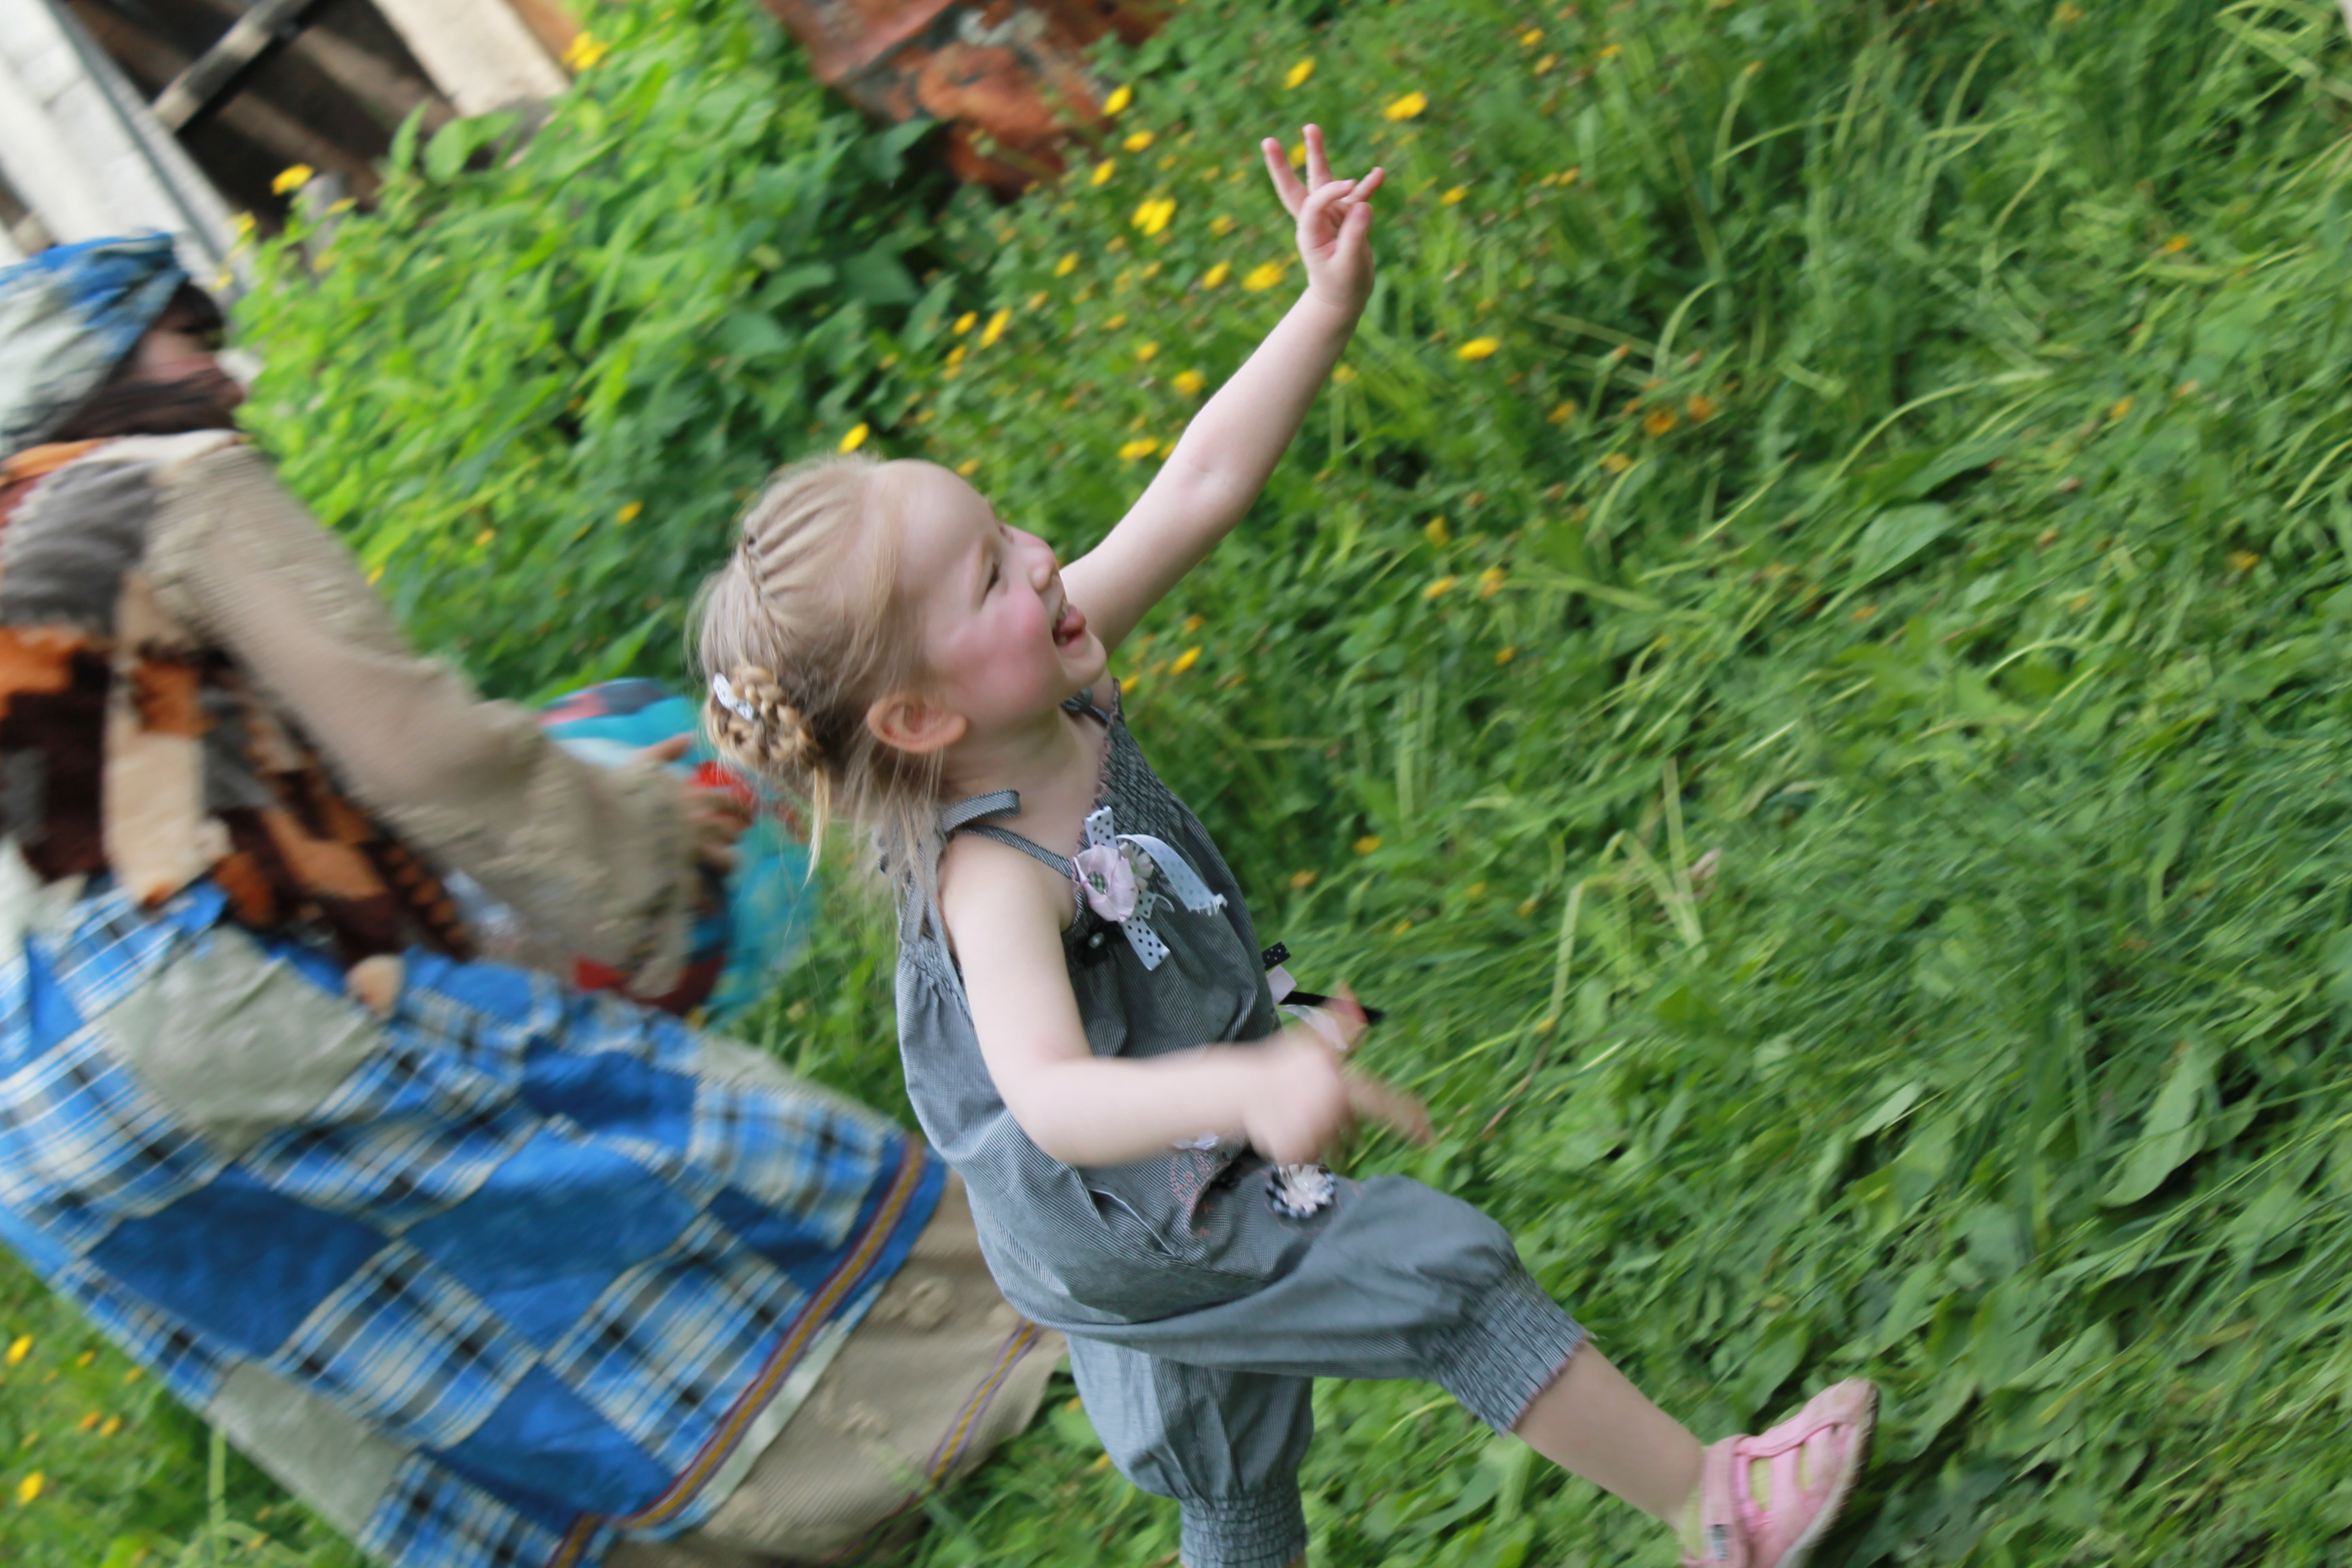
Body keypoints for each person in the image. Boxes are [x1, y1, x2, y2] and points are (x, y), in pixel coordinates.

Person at [694, 126, 1876, 1568]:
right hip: (1134, 1200)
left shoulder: (1051, 671)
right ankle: (1715, 1509)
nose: (1041, 554)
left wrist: (1321, 307)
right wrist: (1246, 1080)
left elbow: (1197, 482)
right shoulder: (991, 876)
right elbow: (1054, 1098)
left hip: (1148, 1183)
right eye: (990, 572)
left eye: (1003, 523)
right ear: (923, 717)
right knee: (1438, 1275)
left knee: (1233, 1466)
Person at [0, 235, 1059, 1568]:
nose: (229, 369)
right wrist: (635, 865)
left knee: (398, 1341)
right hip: (197, 1007)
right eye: (189, 333)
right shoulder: (162, 481)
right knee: (625, 1141)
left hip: (32, 1130)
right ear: (103, 370)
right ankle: (994, 1360)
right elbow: (413, 749)